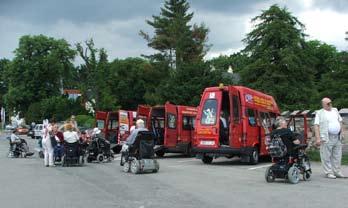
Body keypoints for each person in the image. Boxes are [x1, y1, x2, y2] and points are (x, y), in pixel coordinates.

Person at [314, 97, 344, 179]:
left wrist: (341, 131)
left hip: (337, 136)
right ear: (323, 104)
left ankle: (337, 171)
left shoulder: (335, 110)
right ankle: (328, 172)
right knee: (326, 156)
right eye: (327, 103)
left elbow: (340, 121)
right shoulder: (319, 113)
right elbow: (316, 126)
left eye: (330, 102)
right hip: (327, 137)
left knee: (338, 155)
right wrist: (318, 138)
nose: (330, 104)